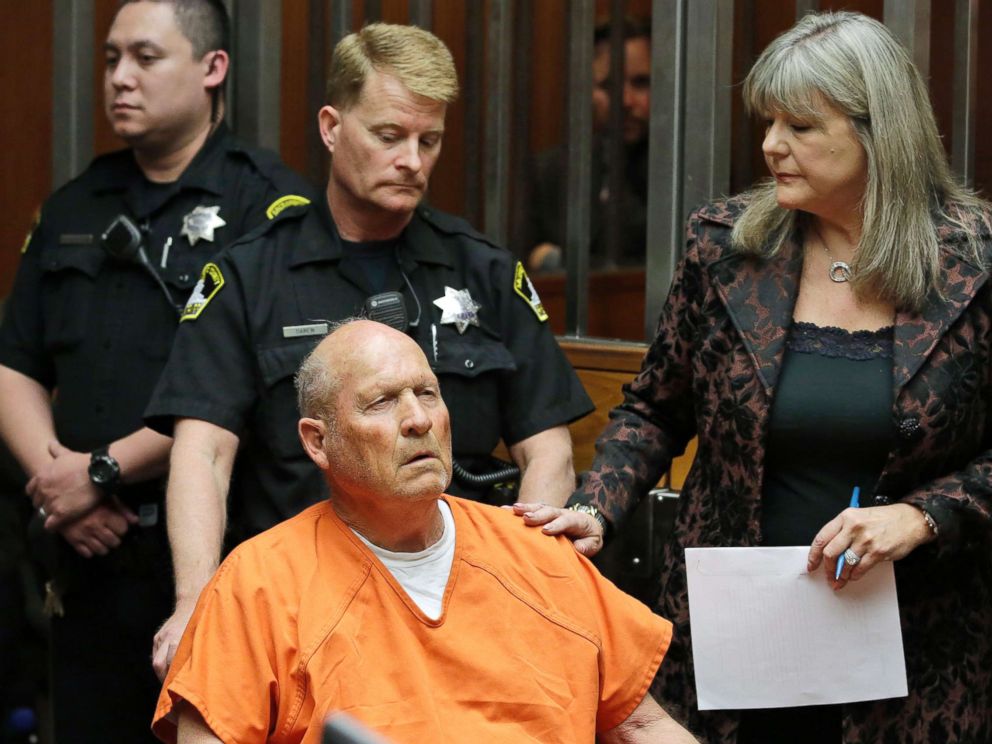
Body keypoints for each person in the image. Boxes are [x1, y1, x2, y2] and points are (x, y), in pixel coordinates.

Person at [514, 11, 992, 743]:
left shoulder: (975, 264)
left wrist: (921, 516)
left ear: (876, 132)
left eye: (800, 126)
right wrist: (596, 507)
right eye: (768, 122)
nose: (771, 146)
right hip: (740, 640)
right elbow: (652, 409)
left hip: (916, 650)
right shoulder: (726, 248)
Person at [146, 22, 593, 680]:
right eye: (389, 136)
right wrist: (195, 601)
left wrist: (516, 579)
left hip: (457, 603)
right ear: (331, 127)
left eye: (429, 140)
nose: (412, 159)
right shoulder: (250, 276)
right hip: (297, 606)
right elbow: (203, 451)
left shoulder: (483, 271)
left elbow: (547, 449)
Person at [150, 318, 695, 744]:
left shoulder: (538, 554)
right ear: (318, 442)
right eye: (382, 402)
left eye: (428, 394)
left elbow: (642, 727)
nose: (418, 420)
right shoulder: (258, 584)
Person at [0, 1, 311, 741]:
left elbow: (251, 388)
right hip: (78, 549)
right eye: (110, 59)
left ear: (213, 70)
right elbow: (14, 363)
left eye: (145, 57)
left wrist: (99, 472)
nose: (119, 78)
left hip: (207, 559)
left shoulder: (265, 205)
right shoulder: (76, 203)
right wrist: (61, 486)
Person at [525, 17, 650, 272]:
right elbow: (521, 262)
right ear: (587, 91)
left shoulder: (687, 170)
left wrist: (556, 259)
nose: (625, 101)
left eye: (640, 83)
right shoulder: (552, 172)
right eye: (609, 85)